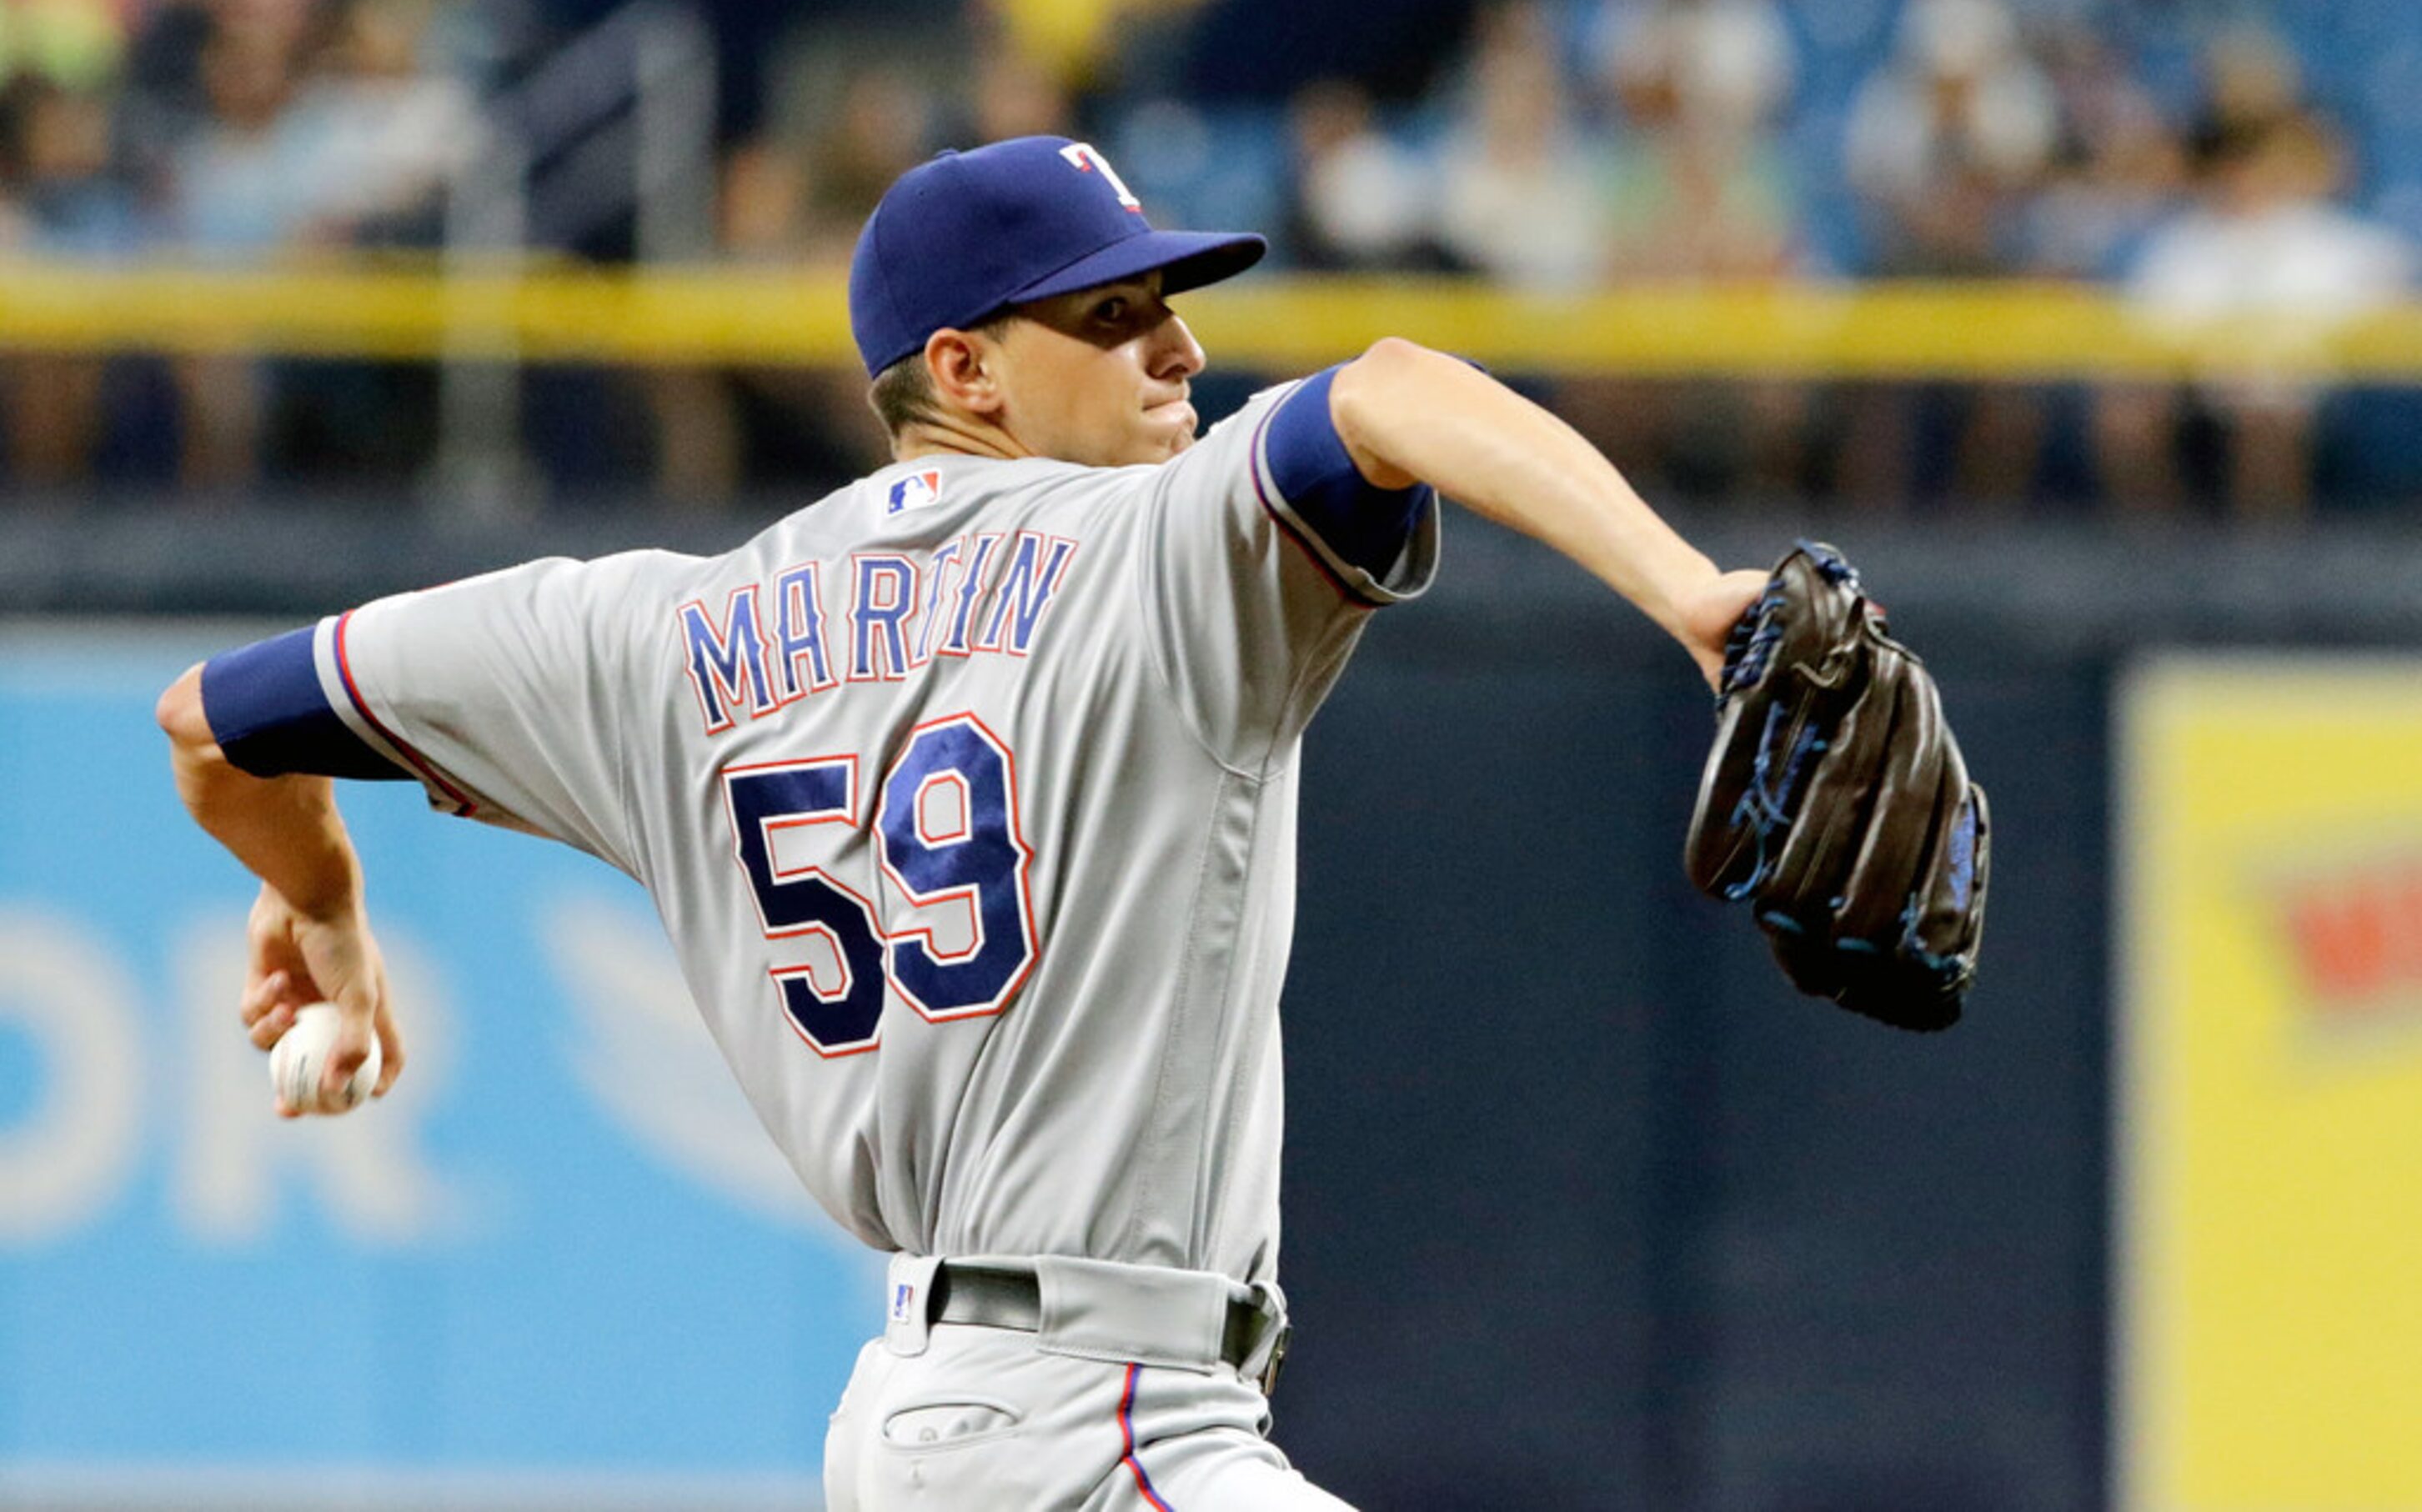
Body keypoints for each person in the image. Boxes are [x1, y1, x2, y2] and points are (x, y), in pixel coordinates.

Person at [157, 134, 1764, 1509]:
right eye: (1114, 314)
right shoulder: (1154, 551)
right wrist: (1700, 603)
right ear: (964, 370)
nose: (1180, 351)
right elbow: (1397, 392)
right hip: (1113, 1421)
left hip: (925, 1422)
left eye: (1173, 308)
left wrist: (326, 904)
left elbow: (217, 725)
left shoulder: (656, 635)